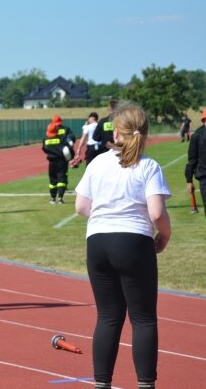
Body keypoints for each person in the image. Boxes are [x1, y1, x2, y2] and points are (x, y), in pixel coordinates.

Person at [75, 102, 171, 389]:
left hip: (98, 242)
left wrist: (107, 216)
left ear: (117, 134)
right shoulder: (148, 166)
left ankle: (101, 384)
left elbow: (81, 206)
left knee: (107, 316)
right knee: (143, 319)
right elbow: (156, 213)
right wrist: (165, 235)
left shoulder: (98, 162)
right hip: (133, 242)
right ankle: (145, 384)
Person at [42, 115, 75, 204]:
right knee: (62, 179)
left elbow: (44, 149)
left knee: (52, 180)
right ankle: (60, 198)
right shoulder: (62, 138)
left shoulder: (45, 140)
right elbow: (68, 148)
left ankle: (52, 198)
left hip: (51, 162)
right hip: (61, 161)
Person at [185, 109, 206, 212]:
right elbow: (192, 160)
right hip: (204, 177)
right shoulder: (197, 136)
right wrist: (189, 180)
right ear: (203, 120)